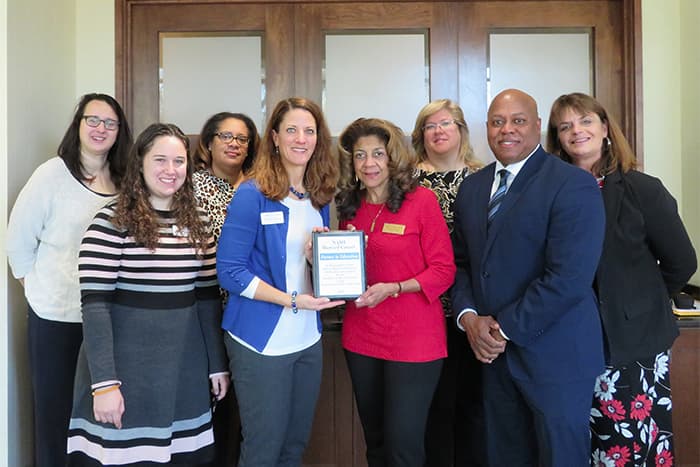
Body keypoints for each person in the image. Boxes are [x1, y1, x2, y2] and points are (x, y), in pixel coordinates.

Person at [451, 89, 606, 467]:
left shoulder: (572, 184)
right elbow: (460, 264)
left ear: (537, 126)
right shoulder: (472, 188)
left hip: (556, 358)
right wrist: (469, 318)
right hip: (490, 359)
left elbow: (568, 278)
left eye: (518, 120)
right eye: (497, 122)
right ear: (486, 128)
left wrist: (500, 329)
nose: (507, 130)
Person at [546, 92, 697, 466]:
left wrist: (637, 300)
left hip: (634, 343)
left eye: (585, 121)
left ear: (605, 128)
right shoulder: (550, 192)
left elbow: (681, 261)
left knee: (631, 447)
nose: (576, 131)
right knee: (581, 444)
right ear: (558, 140)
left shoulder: (642, 189)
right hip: (570, 342)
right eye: (565, 126)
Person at [65, 123, 230, 466]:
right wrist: (105, 385)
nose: (171, 170)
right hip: (126, 370)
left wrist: (217, 365)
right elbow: (95, 307)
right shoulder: (110, 221)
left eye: (179, 161)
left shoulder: (198, 221)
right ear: (139, 162)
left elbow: (207, 299)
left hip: (184, 368)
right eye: (160, 160)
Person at [6, 93, 132, 467]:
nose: (100, 129)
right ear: (77, 125)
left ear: (119, 132)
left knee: (98, 417)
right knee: (54, 413)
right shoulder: (52, 174)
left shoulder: (126, 182)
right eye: (92, 120)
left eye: (110, 123)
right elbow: (18, 242)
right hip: (56, 319)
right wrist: (40, 292)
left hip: (106, 321)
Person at [216, 97, 343, 467]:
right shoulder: (251, 194)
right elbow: (231, 272)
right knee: (263, 450)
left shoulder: (319, 197)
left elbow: (298, 266)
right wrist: (291, 300)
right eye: (291, 130)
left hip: (307, 338)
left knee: (294, 447)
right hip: (261, 341)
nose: (301, 138)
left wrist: (314, 259)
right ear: (273, 137)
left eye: (309, 130)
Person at [336, 117, 456, 467]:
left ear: (393, 158)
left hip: (414, 340)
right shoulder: (349, 206)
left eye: (377, 153)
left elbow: (444, 270)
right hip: (361, 336)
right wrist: (319, 257)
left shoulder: (422, 202)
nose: (369, 163)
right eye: (360, 155)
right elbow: (347, 271)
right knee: (375, 442)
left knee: (404, 446)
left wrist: (396, 288)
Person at [411, 99, 486, 467]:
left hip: (473, 310)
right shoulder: (404, 181)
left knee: (472, 406)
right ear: (420, 134)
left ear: (461, 131)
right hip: (420, 310)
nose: (439, 131)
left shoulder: (485, 178)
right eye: (430, 125)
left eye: (447, 123)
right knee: (431, 409)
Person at [193, 112, 259, 466]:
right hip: (204, 313)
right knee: (212, 408)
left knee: (246, 411)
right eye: (226, 136)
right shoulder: (189, 187)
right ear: (208, 142)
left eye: (243, 138)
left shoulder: (261, 187)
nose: (234, 143)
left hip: (252, 312)